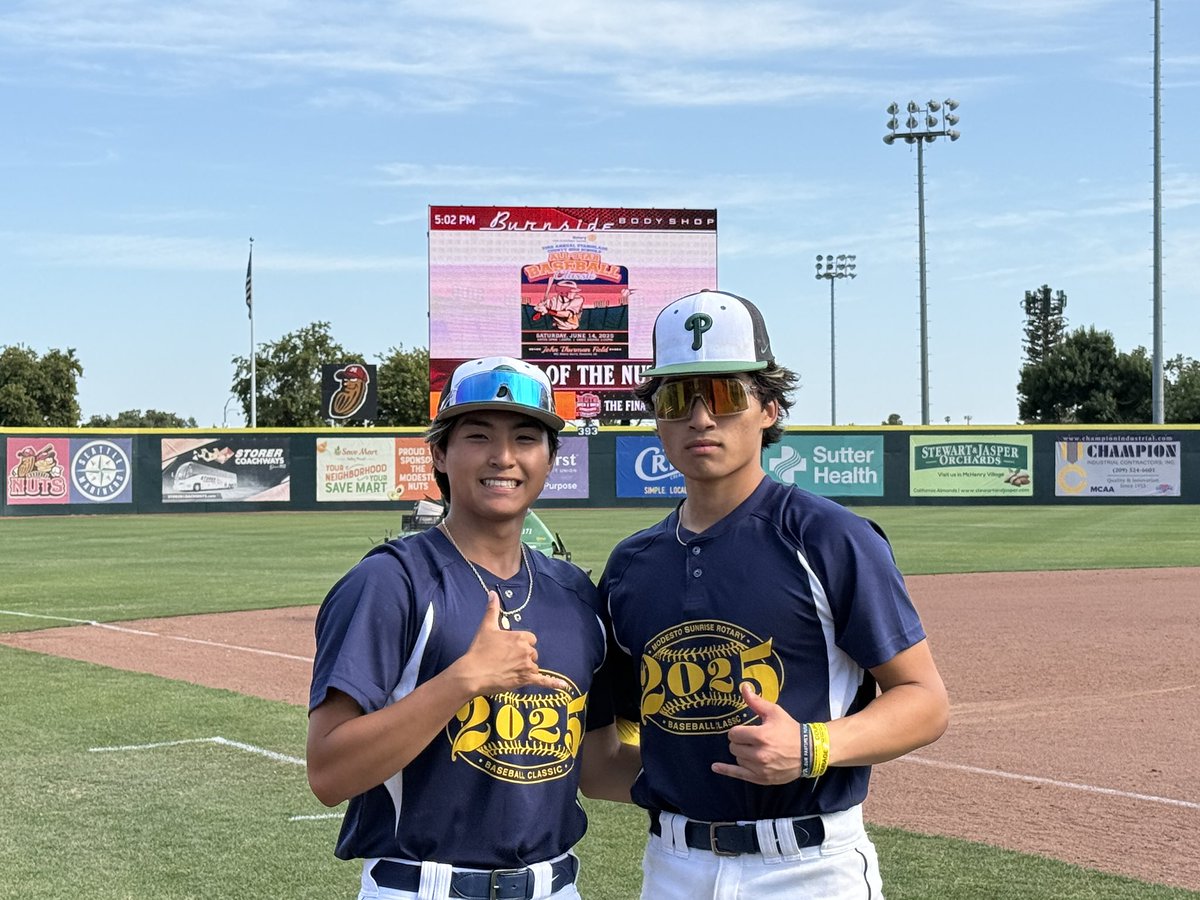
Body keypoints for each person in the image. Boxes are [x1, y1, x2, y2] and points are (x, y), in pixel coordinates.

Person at [582, 290, 950, 899]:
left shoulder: (829, 537)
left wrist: (812, 747)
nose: (701, 418)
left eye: (726, 395)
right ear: (657, 418)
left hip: (808, 867)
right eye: (677, 398)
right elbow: (602, 762)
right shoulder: (631, 566)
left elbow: (925, 701)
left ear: (770, 408)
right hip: (673, 866)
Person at [307, 356, 607, 900]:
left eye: (525, 437)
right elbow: (329, 773)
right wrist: (463, 679)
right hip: (423, 886)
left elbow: (601, 762)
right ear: (440, 454)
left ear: (550, 458)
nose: (503, 457)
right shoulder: (391, 581)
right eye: (477, 436)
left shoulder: (575, 593)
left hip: (557, 886)